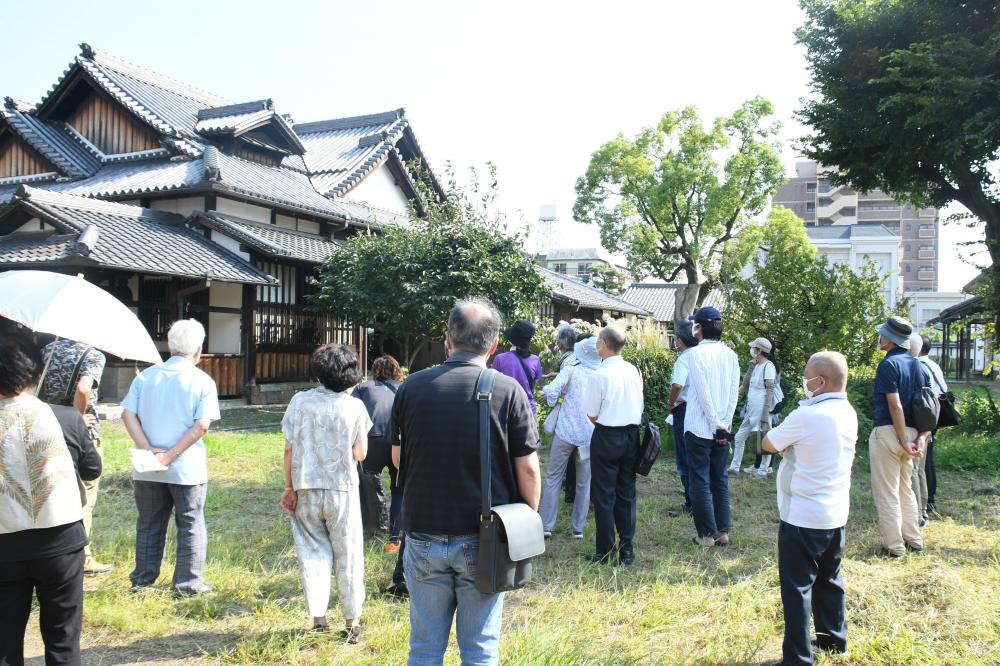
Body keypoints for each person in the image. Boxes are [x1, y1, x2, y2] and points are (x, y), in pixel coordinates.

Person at [390, 298, 540, 665]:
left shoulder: (410, 387)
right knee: (480, 648)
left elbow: (397, 460)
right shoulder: (507, 391)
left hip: (423, 532)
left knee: (424, 648)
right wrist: (526, 519)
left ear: (447, 338)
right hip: (485, 537)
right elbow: (530, 470)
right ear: (493, 344)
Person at [0, 333, 101, 666]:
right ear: (34, 373)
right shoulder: (66, 417)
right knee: (62, 640)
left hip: (4, 546)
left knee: (4, 641)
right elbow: (91, 468)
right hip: (61, 542)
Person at [761, 352, 856, 665]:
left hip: (803, 515)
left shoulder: (808, 415)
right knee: (829, 579)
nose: (805, 382)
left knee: (797, 588)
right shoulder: (847, 411)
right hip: (834, 512)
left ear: (821, 381)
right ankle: (834, 640)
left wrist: (788, 444)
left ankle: (798, 658)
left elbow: (768, 443)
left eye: (807, 377)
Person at [121, 319, 221, 595]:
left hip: (148, 466)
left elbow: (127, 414)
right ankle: (189, 582)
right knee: (190, 522)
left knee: (149, 522)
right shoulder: (202, 381)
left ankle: (143, 579)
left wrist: (149, 450)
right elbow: (201, 425)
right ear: (199, 349)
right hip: (185, 466)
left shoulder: (146, 377)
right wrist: (170, 455)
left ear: (168, 344)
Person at [280, 344, 370, 640]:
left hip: (305, 487)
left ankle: (319, 619)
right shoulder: (355, 406)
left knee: (312, 553)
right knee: (349, 555)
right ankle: (352, 621)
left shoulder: (299, 402)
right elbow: (360, 454)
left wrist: (288, 488)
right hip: (342, 489)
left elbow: (288, 449)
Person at [38, 338, 112, 576]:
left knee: (48, 491)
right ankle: (83, 557)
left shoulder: (46, 351)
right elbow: (83, 388)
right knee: (84, 494)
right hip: (80, 433)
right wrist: (76, 418)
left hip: (45, 426)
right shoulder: (93, 354)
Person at [869, 316, 930, 558]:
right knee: (906, 489)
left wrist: (902, 437)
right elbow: (929, 406)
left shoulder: (888, 365)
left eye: (882, 335)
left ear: (890, 339)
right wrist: (920, 438)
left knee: (887, 491)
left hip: (890, 432)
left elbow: (894, 406)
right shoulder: (918, 365)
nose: (880, 338)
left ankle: (894, 546)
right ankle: (914, 539)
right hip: (915, 434)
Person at [584, 325, 644, 565]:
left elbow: (592, 414)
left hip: (607, 435)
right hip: (632, 434)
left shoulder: (599, 375)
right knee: (627, 492)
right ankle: (627, 549)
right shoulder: (633, 370)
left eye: (598, 340)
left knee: (604, 494)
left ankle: (606, 550)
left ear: (603, 344)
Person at [683, 306, 741, 547]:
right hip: (722, 428)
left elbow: (703, 393)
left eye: (695, 324)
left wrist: (715, 423)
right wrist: (724, 424)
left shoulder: (695, 355)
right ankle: (723, 532)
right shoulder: (731, 355)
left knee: (699, 480)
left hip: (699, 426)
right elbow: (732, 395)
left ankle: (706, 535)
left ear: (700, 328)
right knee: (719, 479)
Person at [539, 335, 600, 538]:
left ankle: (547, 525)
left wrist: (551, 399)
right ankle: (578, 529)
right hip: (589, 435)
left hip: (565, 432)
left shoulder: (571, 370)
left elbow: (552, 391)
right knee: (584, 483)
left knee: (553, 478)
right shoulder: (602, 374)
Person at [354, 355, 404, 550]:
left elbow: (355, 414)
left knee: (368, 483)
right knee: (399, 487)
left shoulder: (363, 388)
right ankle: (395, 534)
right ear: (397, 369)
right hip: (398, 439)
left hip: (371, 438)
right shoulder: (404, 387)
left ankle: (374, 526)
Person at [730, 338, 782, 478]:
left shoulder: (768, 366)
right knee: (740, 436)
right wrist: (751, 367)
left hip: (761, 408)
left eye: (754, 348)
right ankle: (735, 466)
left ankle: (763, 470)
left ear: (759, 350)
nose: (752, 350)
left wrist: (766, 412)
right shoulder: (757, 365)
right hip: (751, 408)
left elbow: (770, 389)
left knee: (763, 439)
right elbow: (746, 385)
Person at [666, 321, 699, 516]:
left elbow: (677, 385)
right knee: (698, 456)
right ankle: (697, 497)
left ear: (682, 340)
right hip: (700, 409)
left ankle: (690, 502)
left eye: (677, 338)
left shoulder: (684, 358)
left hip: (684, 409)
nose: (675, 342)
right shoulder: (703, 355)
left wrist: (671, 403)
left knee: (684, 457)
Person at [918, 334, 947, 515]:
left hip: (924, 417)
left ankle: (928, 501)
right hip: (934, 415)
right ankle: (929, 499)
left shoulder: (919, 366)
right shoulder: (934, 365)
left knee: (924, 461)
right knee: (927, 459)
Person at [491, 319, 543, 413]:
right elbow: (532, 387)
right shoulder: (535, 360)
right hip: (528, 410)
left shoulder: (500, 359)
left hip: (505, 410)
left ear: (512, 339)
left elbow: (493, 385)